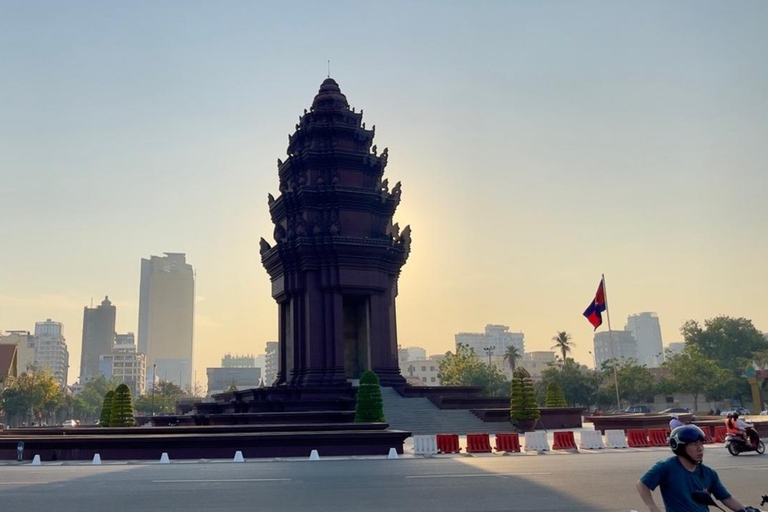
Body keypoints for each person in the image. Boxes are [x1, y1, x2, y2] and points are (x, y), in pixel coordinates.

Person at [636, 425, 748, 511]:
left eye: (701, 443)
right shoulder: (666, 467)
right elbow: (642, 484)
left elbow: (726, 498)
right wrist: (652, 507)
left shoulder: (709, 473)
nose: (700, 449)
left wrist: (746, 510)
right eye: (694, 444)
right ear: (679, 446)